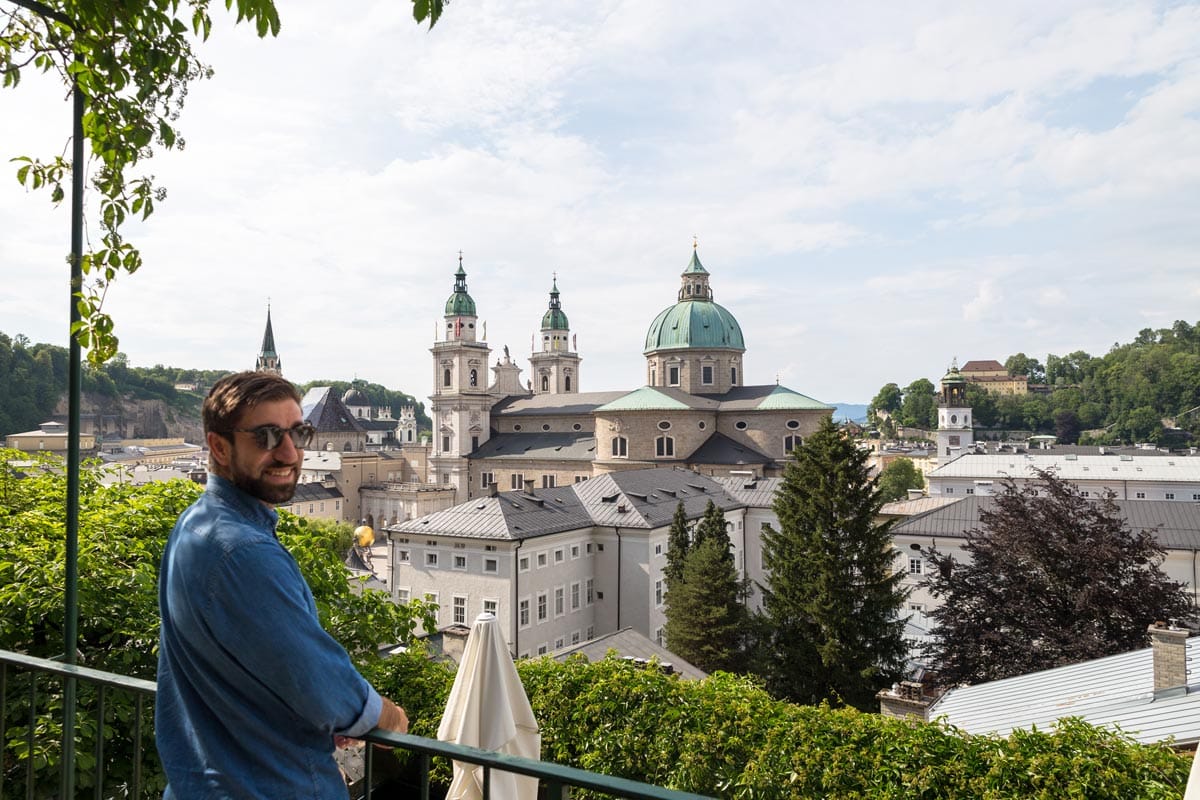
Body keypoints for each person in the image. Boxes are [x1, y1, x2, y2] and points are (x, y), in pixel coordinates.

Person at [156, 371, 408, 798]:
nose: (290, 452)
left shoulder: (195, 524)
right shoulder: (242, 551)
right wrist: (386, 717)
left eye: (298, 433)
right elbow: (319, 684)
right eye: (267, 436)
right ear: (219, 446)